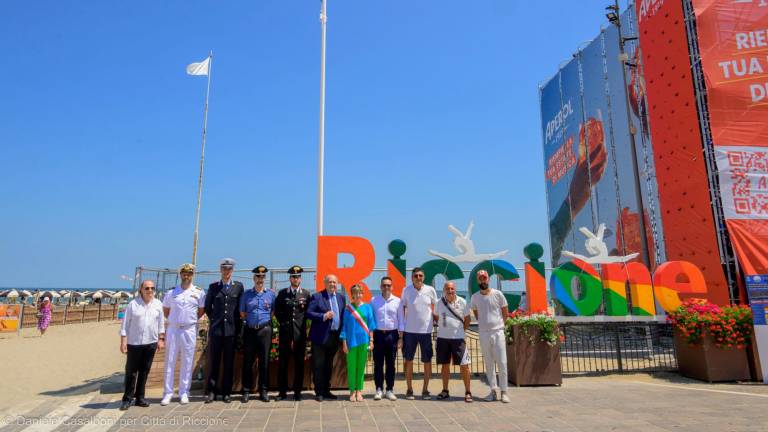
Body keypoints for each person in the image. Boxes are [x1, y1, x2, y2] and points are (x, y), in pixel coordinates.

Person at [161, 263, 206, 406]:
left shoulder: (199, 292)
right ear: (180, 275)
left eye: (189, 273)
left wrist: (188, 320)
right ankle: (167, 393)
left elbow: (201, 311)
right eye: (184, 273)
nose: (186, 276)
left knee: (187, 361)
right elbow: (166, 311)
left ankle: (184, 392)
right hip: (174, 329)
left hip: (189, 329)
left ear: (193, 275)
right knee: (170, 361)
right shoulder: (171, 293)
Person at [119, 280, 165, 410]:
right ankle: (127, 399)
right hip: (134, 343)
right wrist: (123, 341)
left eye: (152, 288)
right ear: (141, 290)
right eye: (147, 288)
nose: (150, 290)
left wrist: (161, 339)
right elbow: (125, 325)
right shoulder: (133, 305)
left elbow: (161, 324)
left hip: (150, 343)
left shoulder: (158, 304)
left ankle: (140, 397)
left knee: (144, 371)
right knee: (131, 372)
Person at [204, 258, 245, 404]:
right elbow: (208, 307)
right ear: (220, 270)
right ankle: (212, 392)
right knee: (215, 362)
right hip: (217, 331)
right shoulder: (213, 287)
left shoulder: (238, 287)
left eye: (229, 269)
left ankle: (226, 392)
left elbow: (241, 309)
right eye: (224, 269)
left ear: (232, 271)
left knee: (228, 363)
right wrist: (215, 320)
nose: (226, 272)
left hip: (231, 331)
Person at [468, 270, 510, 403]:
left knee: (502, 362)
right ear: (477, 280)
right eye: (480, 278)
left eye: (484, 278)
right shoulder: (474, 297)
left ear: (488, 279)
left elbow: (505, 313)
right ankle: (493, 391)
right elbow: (476, 313)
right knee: (489, 363)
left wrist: (501, 326)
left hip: (498, 332)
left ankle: (504, 392)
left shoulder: (498, 294)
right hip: (484, 333)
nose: (483, 280)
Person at [398, 267, 437, 400]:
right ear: (411, 278)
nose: (418, 278)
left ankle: (425, 390)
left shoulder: (430, 290)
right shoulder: (406, 290)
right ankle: (409, 389)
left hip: (426, 332)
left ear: (423, 277)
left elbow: (435, 309)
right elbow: (402, 308)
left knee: (427, 361)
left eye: (420, 275)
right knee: (408, 361)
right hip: (409, 332)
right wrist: (401, 329)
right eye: (416, 276)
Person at [274, 265, 311, 401]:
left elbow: (308, 313)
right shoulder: (283, 294)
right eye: (293, 277)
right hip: (285, 334)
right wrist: (284, 323)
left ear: (300, 279)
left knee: (299, 364)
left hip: (300, 335)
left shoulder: (306, 294)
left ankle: (297, 392)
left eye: (298, 277)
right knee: (283, 364)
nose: (295, 279)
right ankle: (282, 392)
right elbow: (277, 311)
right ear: (290, 278)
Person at [240, 265, 275, 403]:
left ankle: (264, 390)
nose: (260, 279)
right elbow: (242, 313)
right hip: (249, 331)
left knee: (264, 362)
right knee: (248, 361)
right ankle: (246, 390)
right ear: (253, 278)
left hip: (264, 331)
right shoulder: (246, 294)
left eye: (262, 277)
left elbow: (272, 312)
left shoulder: (271, 294)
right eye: (258, 277)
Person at [307, 274, 345, 402]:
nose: (332, 284)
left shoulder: (341, 298)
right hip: (320, 337)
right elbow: (309, 313)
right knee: (318, 365)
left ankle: (327, 390)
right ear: (325, 283)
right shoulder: (317, 297)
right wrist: (323, 316)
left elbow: (342, 316)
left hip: (334, 337)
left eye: (334, 282)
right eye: (330, 282)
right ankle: (319, 392)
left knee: (329, 365)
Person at [435, 281, 472, 403]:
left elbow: (467, 319)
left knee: (464, 366)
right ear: (444, 290)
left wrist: (461, 331)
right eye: (447, 289)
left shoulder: (462, 302)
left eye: (452, 289)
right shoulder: (438, 303)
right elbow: (436, 318)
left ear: (455, 289)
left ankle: (468, 391)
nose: (450, 291)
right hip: (443, 338)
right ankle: (445, 390)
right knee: (445, 365)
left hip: (458, 339)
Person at [340, 285, 376, 402]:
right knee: (351, 367)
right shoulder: (347, 309)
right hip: (351, 342)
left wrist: (371, 340)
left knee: (361, 367)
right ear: (352, 295)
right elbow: (344, 327)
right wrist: (344, 343)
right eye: (355, 293)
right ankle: (352, 391)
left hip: (364, 341)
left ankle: (359, 391)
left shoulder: (368, 308)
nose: (358, 295)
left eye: (360, 293)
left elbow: (371, 326)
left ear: (362, 294)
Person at [370, 276, 401, 401]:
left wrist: (401, 338)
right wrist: (371, 337)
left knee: (391, 364)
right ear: (380, 287)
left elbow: (401, 320)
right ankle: (379, 389)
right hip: (378, 335)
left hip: (392, 335)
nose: (386, 287)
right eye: (384, 285)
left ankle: (389, 389)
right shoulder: (374, 300)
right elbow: (371, 320)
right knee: (378, 364)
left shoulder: (398, 301)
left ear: (392, 287)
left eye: (388, 285)